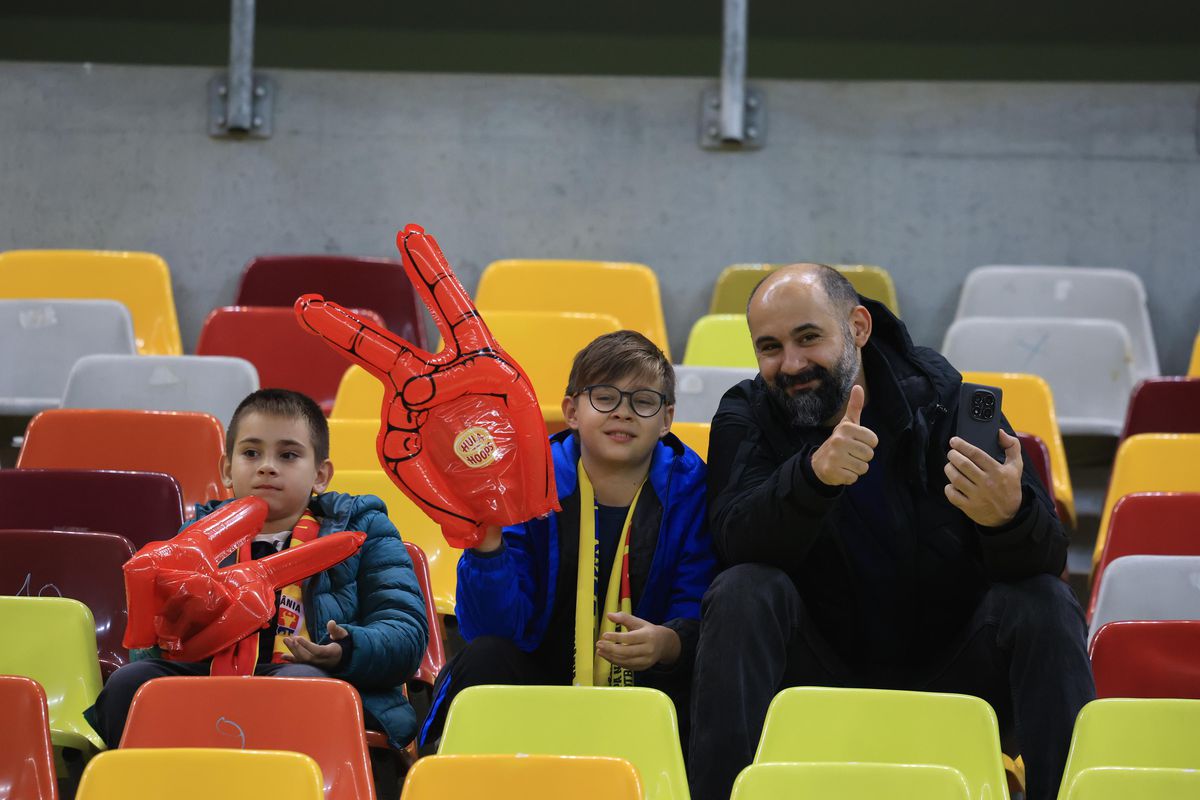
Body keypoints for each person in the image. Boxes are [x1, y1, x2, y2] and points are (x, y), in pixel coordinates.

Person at [687, 265, 1094, 800]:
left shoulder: (948, 401)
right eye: (769, 347)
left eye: (808, 337)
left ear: (857, 326)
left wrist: (1008, 518)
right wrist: (812, 478)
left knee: (1044, 601)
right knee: (744, 591)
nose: (790, 364)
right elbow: (734, 541)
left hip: (953, 675)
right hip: (816, 676)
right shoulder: (747, 412)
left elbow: (1046, 558)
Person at [88, 389, 429, 752]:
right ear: (226, 470)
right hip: (208, 675)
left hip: (319, 675)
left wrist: (346, 650)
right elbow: (147, 647)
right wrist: (174, 626)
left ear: (320, 475)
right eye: (251, 453)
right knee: (131, 684)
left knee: (300, 685)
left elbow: (406, 634)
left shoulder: (362, 529)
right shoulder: (195, 535)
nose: (267, 466)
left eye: (288, 455)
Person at [419, 331, 716, 748]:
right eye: (604, 397)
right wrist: (487, 550)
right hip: (539, 673)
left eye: (643, 401)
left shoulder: (693, 491)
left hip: (646, 687)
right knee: (484, 657)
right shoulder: (526, 483)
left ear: (666, 419)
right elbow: (492, 629)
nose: (623, 413)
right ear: (572, 411)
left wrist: (670, 642)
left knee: (704, 685)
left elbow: (698, 598)